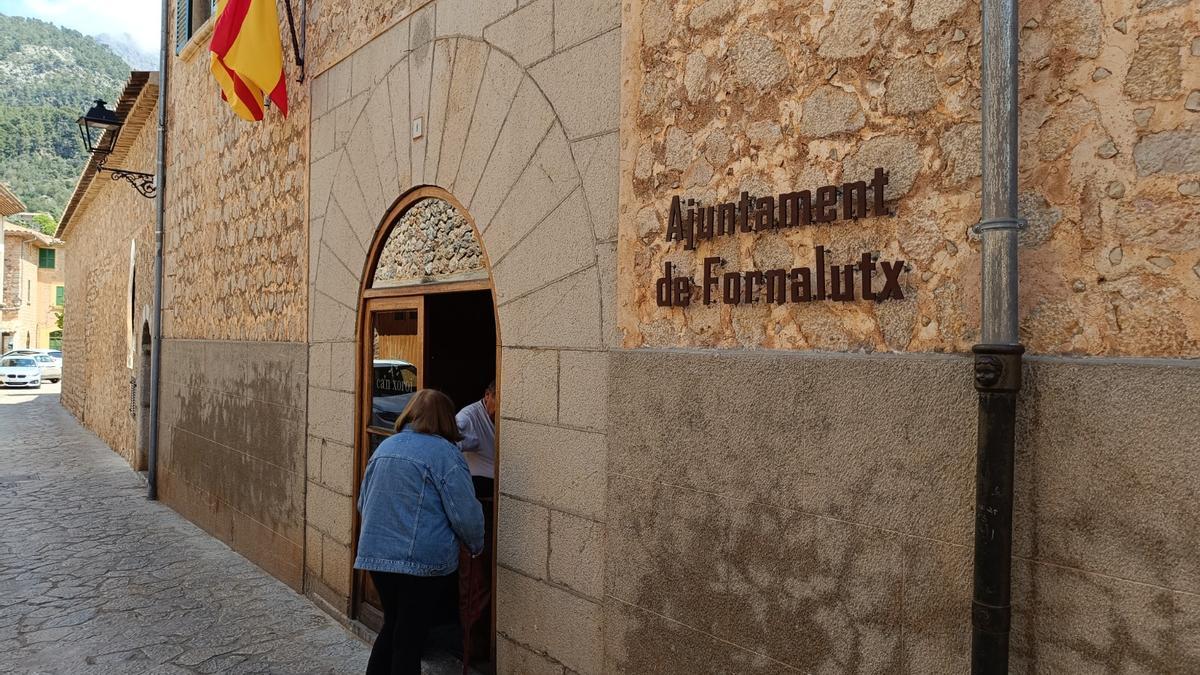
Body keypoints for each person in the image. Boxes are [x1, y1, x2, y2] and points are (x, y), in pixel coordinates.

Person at [355, 389, 484, 675]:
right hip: (421, 562)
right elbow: (464, 513)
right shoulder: (446, 454)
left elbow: (363, 502)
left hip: (377, 556)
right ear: (446, 419)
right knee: (409, 637)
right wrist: (476, 545)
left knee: (394, 625)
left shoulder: (385, 447)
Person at [456, 380, 496, 494]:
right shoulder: (467, 418)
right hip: (480, 485)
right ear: (487, 395)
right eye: (499, 403)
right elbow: (447, 444)